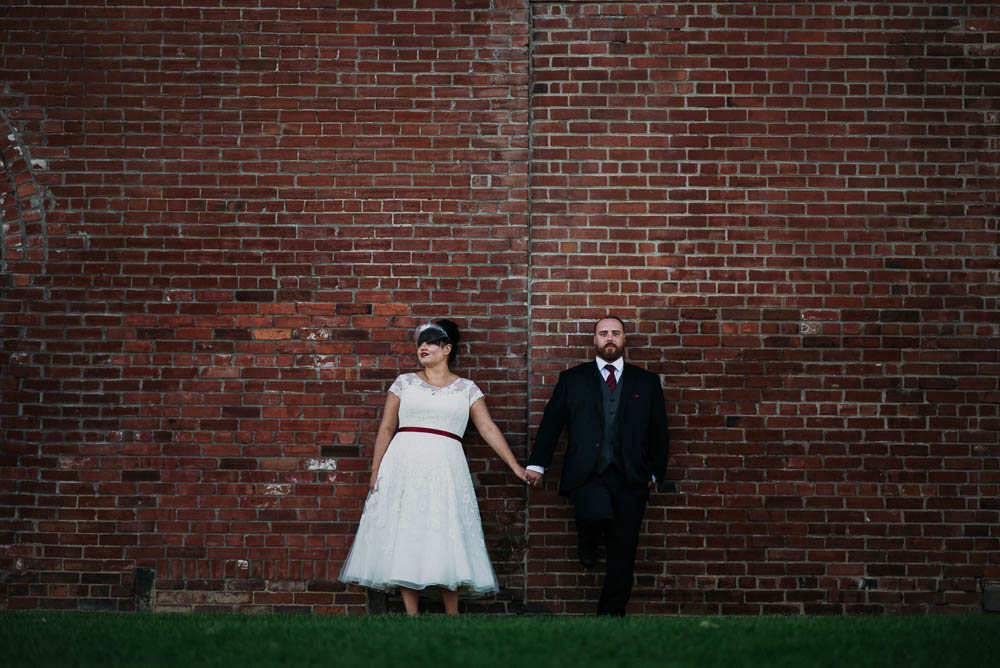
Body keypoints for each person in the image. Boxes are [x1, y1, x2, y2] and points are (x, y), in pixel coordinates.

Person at [340, 319, 529, 615]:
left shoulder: (467, 389)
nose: (423, 347)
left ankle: (452, 616)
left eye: (430, 342)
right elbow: (386, 428)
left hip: (445, 467)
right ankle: (412, 616)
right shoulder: (404, 383)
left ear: (447, 349)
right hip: (403, 465)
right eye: (420, 344)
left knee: (446, 530)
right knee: (406, 530)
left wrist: (516, 466)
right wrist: (376, 471)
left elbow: (488, 428)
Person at [525, 315, 669, 616]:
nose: (610, 338)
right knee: (593, 513)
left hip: (631, 476)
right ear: (595, 340)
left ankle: (611, 615)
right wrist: (538, 464)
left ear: (624, 339)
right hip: (587, 472)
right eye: (603, 333)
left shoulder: (646, 381)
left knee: (624, 550)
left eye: (616, 333)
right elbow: (552, 423)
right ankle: (587, 543)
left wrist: (655, 471)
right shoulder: (572, 379)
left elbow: (660, 430)